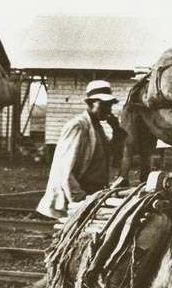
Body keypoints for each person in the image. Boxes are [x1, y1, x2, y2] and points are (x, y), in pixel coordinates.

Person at [36, 80, 127, 219]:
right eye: (104, 104)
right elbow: (65, 170)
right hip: (76, 195)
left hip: (92, 194)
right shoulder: (78, 126)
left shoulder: (97, 128)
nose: (108, 109)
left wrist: (117, 131)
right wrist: (79, 199)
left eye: (110, 105)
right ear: (91, 104)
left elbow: (114, 154)